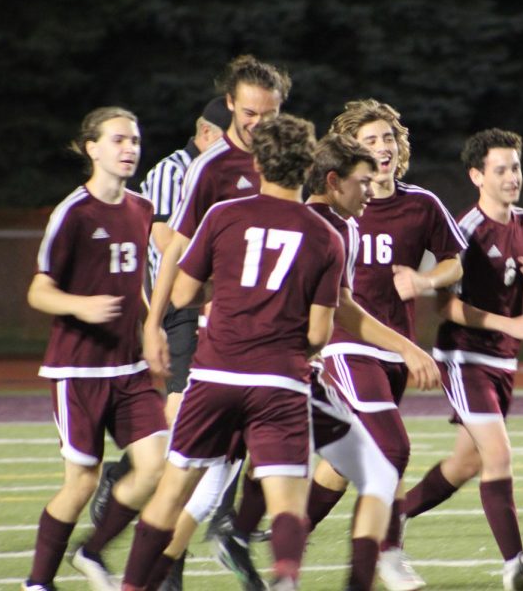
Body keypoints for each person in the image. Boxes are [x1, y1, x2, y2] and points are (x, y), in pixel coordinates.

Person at [120, 112, 341, 591]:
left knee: (173, 491)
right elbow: (320, 333)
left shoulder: (224, 215)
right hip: (280, 379)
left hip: (216, 374)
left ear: (258, 163)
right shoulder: (327, 236)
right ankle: (285, 576)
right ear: (307, 167)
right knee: (285, 500)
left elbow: (182, 293)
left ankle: (132, 586)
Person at [215, 133, 443, 591]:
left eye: (387, 141)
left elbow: (197, 287)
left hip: (253, 369)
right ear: (335, 177)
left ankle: (237, 539)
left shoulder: (334, 222)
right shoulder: (318, 227)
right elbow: (333, 320)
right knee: (384, 458)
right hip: (285, 367)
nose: (371, 182)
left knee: (200, 487)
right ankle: (384, 558)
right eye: (362, 175)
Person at [134, 54, 291, 587]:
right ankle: (166, 558)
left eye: (268, 114)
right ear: (229, 104)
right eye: (249, 112)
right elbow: (176, 248)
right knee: (193, 459)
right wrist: (156, 322)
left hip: (274, 336)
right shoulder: (210, 167)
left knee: (229, 458)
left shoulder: (290, 160)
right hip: (215, 331)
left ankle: (220, 534)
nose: (258, 123)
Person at [308, 99, 467, 591]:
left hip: (395, 347)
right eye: (370, 140)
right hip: (346, 343)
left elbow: (455, 261)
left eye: (388, 139)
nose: (382, 148)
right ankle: (389, 553)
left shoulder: (420, 203)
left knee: (340, 462)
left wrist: (423, 283)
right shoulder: (332, 205)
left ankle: (286, 532)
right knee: (391, 446)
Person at [400, 129, 523, 590]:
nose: (512, 177)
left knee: (467, 462)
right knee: (498, 453)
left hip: (502, 359)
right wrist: (508, 325)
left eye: (516, 168)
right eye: (501, 169)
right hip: (465, 356)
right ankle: (516, 564)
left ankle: (394, 516)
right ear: (476, 175)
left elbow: (510, 287)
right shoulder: (466, 230)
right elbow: (444, 306)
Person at [21, 106, 169, 591]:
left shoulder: (141, 209)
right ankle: (38, 582)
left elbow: (134, 284)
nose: (130, 149)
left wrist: (152, 325)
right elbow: (39, 291)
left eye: (135, 141)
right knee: (82, 482)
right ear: (92, 148)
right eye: (119, 140)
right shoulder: (74, 213)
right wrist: (80, 306)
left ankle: (92, 551)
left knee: (157, 467)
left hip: (129, 369)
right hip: (78, 370)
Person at [87, 96, 232, 590]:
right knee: (183, 439)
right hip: (179, 310)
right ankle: (160, 560)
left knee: (193, 442)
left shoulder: (235, 170)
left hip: (215, 311)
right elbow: (170, 240)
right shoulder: (176, 171)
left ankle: (132, 490)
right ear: (208, 132)